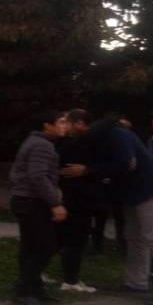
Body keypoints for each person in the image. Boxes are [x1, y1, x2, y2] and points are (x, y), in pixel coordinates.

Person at [63, 117, 153, 305]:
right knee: (135, 237)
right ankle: (137, 283)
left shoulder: (118, 135)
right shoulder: (103, 138)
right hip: (136, 193)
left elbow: (127, 164)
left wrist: (88, 170)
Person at [9, 110, 69, 305]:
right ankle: (23, 290)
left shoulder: (36, 142)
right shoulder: (42, 145)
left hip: (26, 200)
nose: (64, 126)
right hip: (32, 202)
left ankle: (34, 288)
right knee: (46, 246)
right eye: (60, 121)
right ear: (47, 125)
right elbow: (37, 177)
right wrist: (55, 203)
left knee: (31, 246)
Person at [57, 109, 106, 293]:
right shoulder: (79, 142)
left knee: (65, 239)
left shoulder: (70, 142)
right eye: (63, 122)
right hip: (79, 199)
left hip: (72, 197)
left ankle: (59, 276)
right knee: (75, 241)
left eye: (66, 122)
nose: (64, 126)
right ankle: (71, 281)